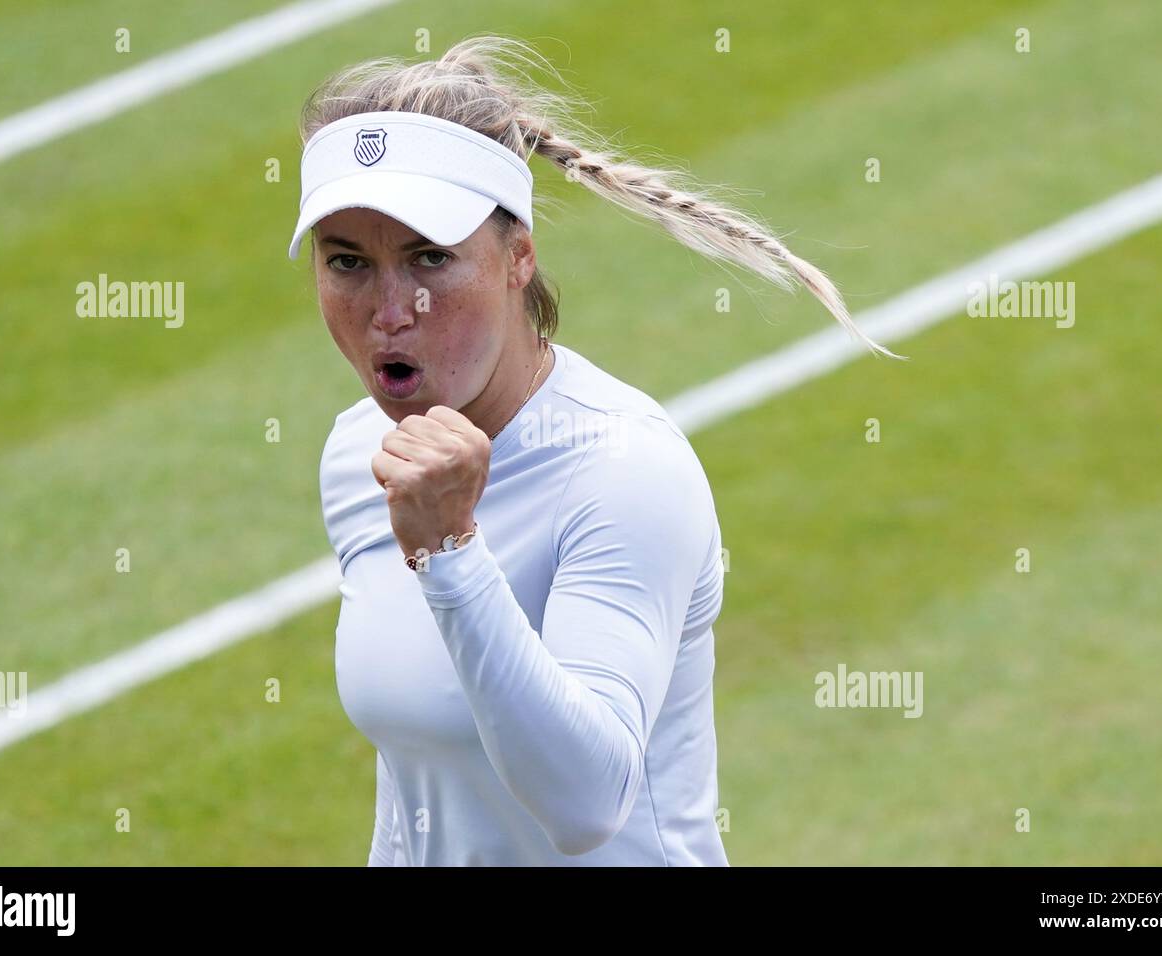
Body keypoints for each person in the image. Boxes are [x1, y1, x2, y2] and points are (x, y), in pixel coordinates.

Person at [289, 35, 898, 866]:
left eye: (431, 258)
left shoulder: (624, 472)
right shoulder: (361, 450)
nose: (391, 310)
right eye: (347, 262)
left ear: (518, 259)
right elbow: (417, 790)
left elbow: (585, 804)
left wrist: (449, 551)